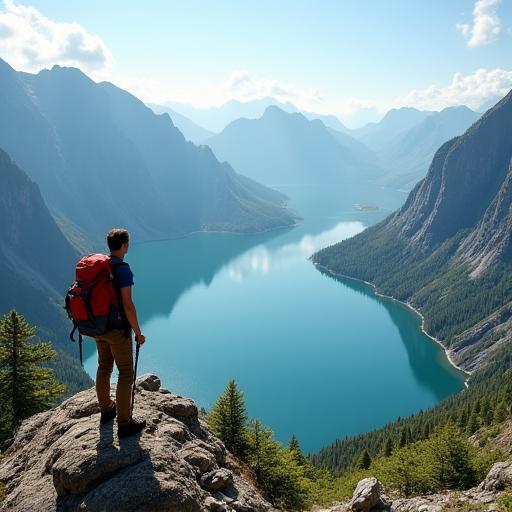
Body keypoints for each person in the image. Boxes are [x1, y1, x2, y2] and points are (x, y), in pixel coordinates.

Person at [94, 228, 146, 438]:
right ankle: (124, 424)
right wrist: (138, 332)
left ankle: (106, 410)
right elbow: (128, 304)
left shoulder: (102, 266)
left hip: (98, 327)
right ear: (124, 245)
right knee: (125, 373)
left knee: (104, 366)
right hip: (116, 330)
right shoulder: (122, 269)